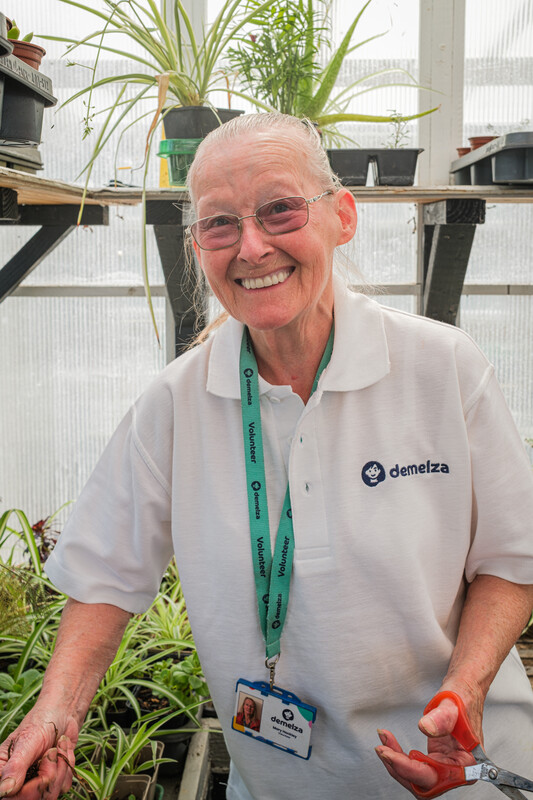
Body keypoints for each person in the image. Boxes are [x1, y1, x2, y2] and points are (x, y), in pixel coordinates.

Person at [0, 112, 532, 800]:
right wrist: (57, 713)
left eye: (279, 210)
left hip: (462, 772)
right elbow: (105, 572)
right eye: (219, 223)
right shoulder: (177, 403)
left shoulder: (439, 367)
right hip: (279, 782)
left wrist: (464, 690)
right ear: (197, 245)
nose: (250, 247)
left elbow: (509, 559)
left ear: (342, 216)